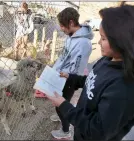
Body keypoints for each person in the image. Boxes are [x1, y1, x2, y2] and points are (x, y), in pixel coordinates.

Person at [46, 5, 134, 141]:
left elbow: (97, 130)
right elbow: (93, 80)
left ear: (124, 41)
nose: (98, 42)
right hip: (82, 131)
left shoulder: (125, 87)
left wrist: (65, 106)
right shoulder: (108, 60)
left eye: (104, 38)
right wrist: (73, 78)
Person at [49, 7, 93, 139]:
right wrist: (54, 69)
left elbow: (77, 70)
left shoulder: (83, 43)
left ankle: (65, 130)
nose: (61, 29)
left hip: (67, 80)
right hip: (60, 76)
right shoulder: (71, 37)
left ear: (72, 23)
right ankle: (61, 114)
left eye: (62, 26)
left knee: (61, 104)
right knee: (58, 102)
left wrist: (64, 77)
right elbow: (64, 57)